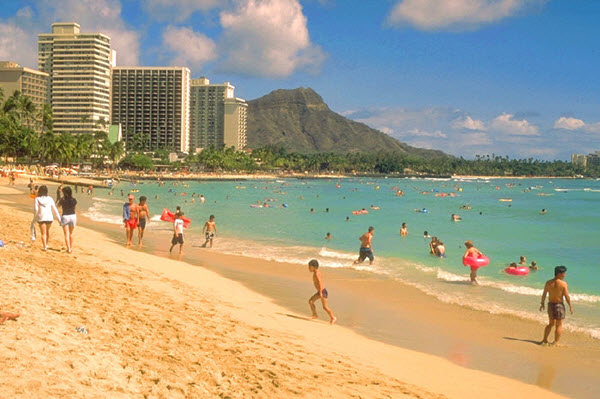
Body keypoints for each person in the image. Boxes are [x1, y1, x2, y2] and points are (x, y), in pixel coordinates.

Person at [540, 266, 573, 346]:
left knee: (550, 324)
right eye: (564, 273)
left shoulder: (548, 282)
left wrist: (542, 303)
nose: (565, 275)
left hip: (550, 305)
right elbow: (566, 296)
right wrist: (570, 306)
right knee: (559, 325)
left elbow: (544, 294)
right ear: (559, 274)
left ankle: (544, 340)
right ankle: (555, 342)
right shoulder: (563, 284)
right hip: (559, 306)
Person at [307, 259, 336, 325]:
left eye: (309, 267)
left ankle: (333, 317)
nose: (308, 268)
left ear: (314, 267)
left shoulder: (317, 274)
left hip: (322, 291)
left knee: (325, 307)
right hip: (320, 291)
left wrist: (320, 292)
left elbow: (319, 282)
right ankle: (315, 315)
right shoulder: (316, 272)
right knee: (311, 301)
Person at [34, 185, 61, 251]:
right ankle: (46, 243)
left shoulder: (37, 199)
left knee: (43, 233)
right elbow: (54, 209)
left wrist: (35, 218)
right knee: (47, 231)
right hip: (49, 217)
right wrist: (59, 219)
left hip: (41, 217)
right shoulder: (50, 198)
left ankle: (45, 246)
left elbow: (36, 209)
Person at [57, 186, 77, 253]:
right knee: (71, 233)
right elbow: (74, 208)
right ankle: (70, 247)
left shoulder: (62, 200)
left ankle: (68, 249)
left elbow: (57, 206)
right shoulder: (74, 200)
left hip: (65, 216)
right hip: (73, 216)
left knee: (66, 234)